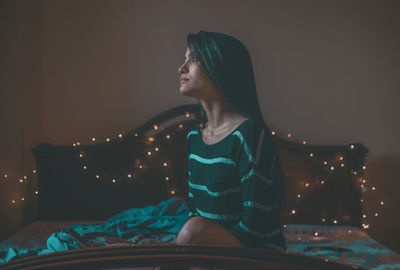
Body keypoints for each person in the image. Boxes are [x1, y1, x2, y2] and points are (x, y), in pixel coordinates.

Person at [175, 30, 287, 269]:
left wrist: (198, 253)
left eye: (193, 58)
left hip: (257, 256)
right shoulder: (194, 138)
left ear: (221, 65)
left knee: (193, 231)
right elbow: (196, 212)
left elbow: (255, 225)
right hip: (215, 253)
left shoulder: (248, 135)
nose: (181, 68)